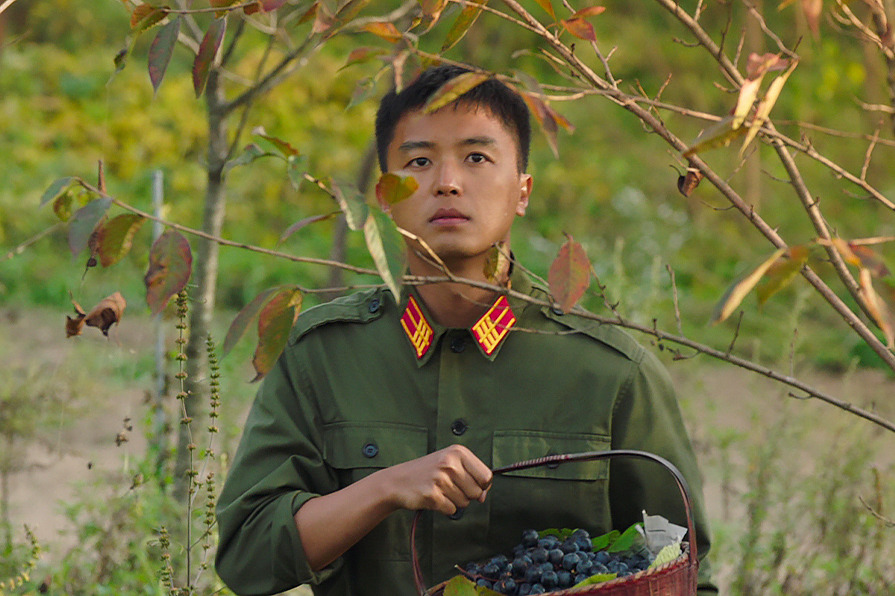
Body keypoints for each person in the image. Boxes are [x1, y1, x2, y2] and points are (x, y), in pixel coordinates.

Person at [215, 64, 717, 596]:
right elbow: (247, 556)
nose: (447, 181)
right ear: (385, 197)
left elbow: (683, 575)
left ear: (522, 191)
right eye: (420, 161)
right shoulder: (323, 357)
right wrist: (384, 487)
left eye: (476, 157)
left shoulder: (610, 373)